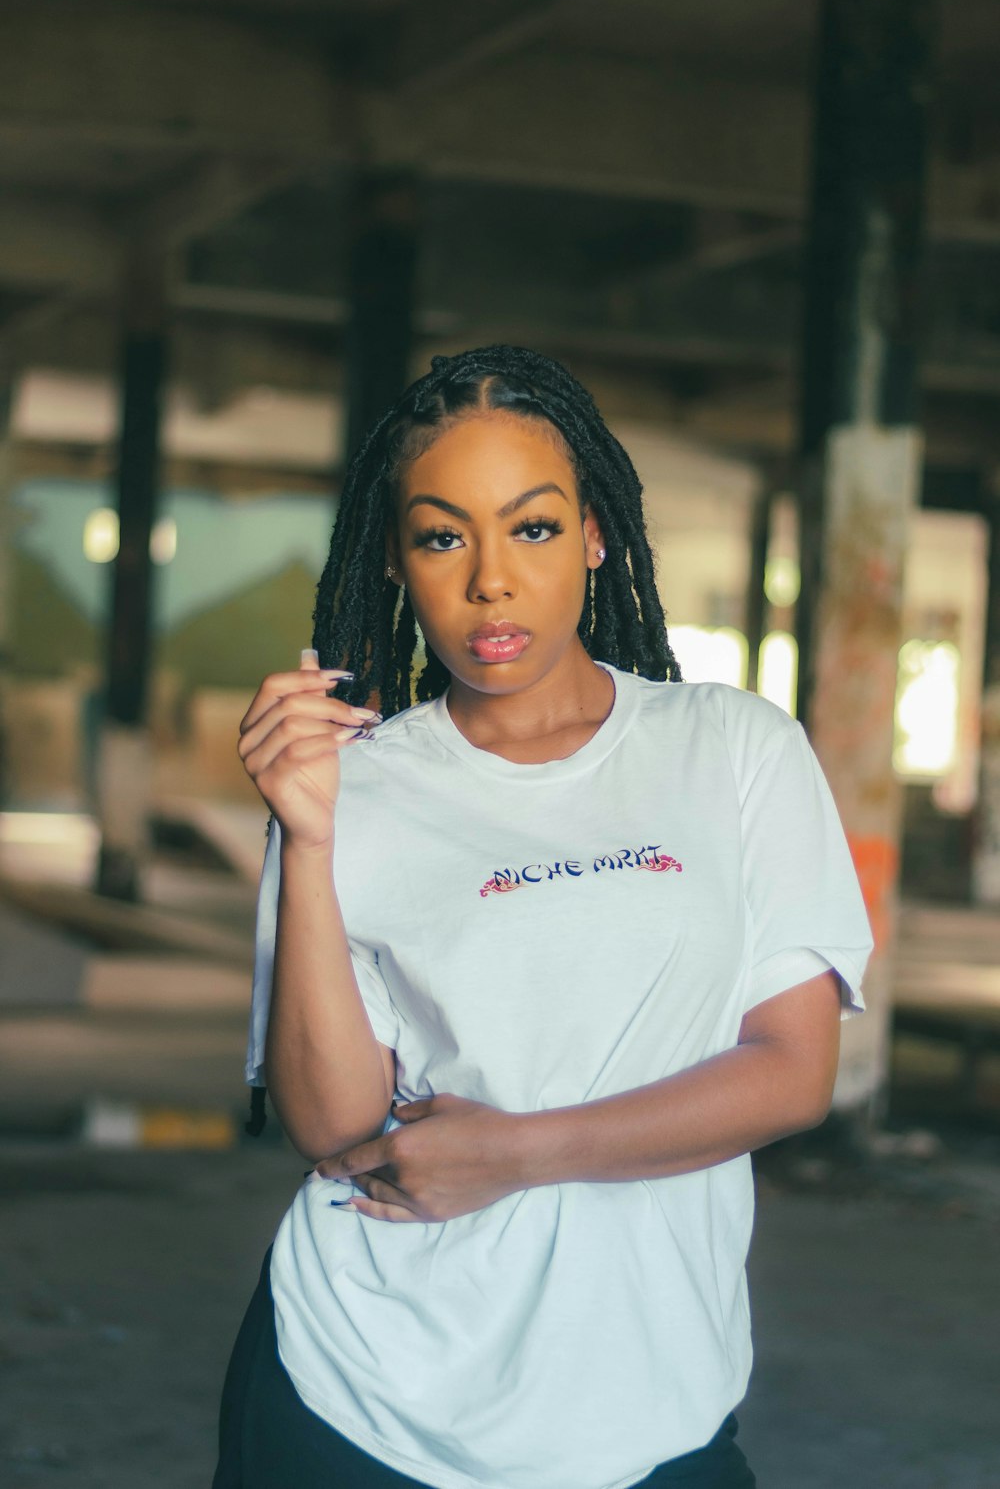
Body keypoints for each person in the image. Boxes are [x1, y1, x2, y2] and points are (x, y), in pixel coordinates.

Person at [214, 344, 874, 1489]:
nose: (488, 582)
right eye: (440, 535)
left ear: (597, 535)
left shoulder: (731, 748)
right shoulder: (348, 784)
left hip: (650, 1405)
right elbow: (332, 1128)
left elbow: (789, 1073)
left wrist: (515, 1154)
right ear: (397, 558)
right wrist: (311, 837)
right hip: (357, 1392)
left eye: (531, 528)